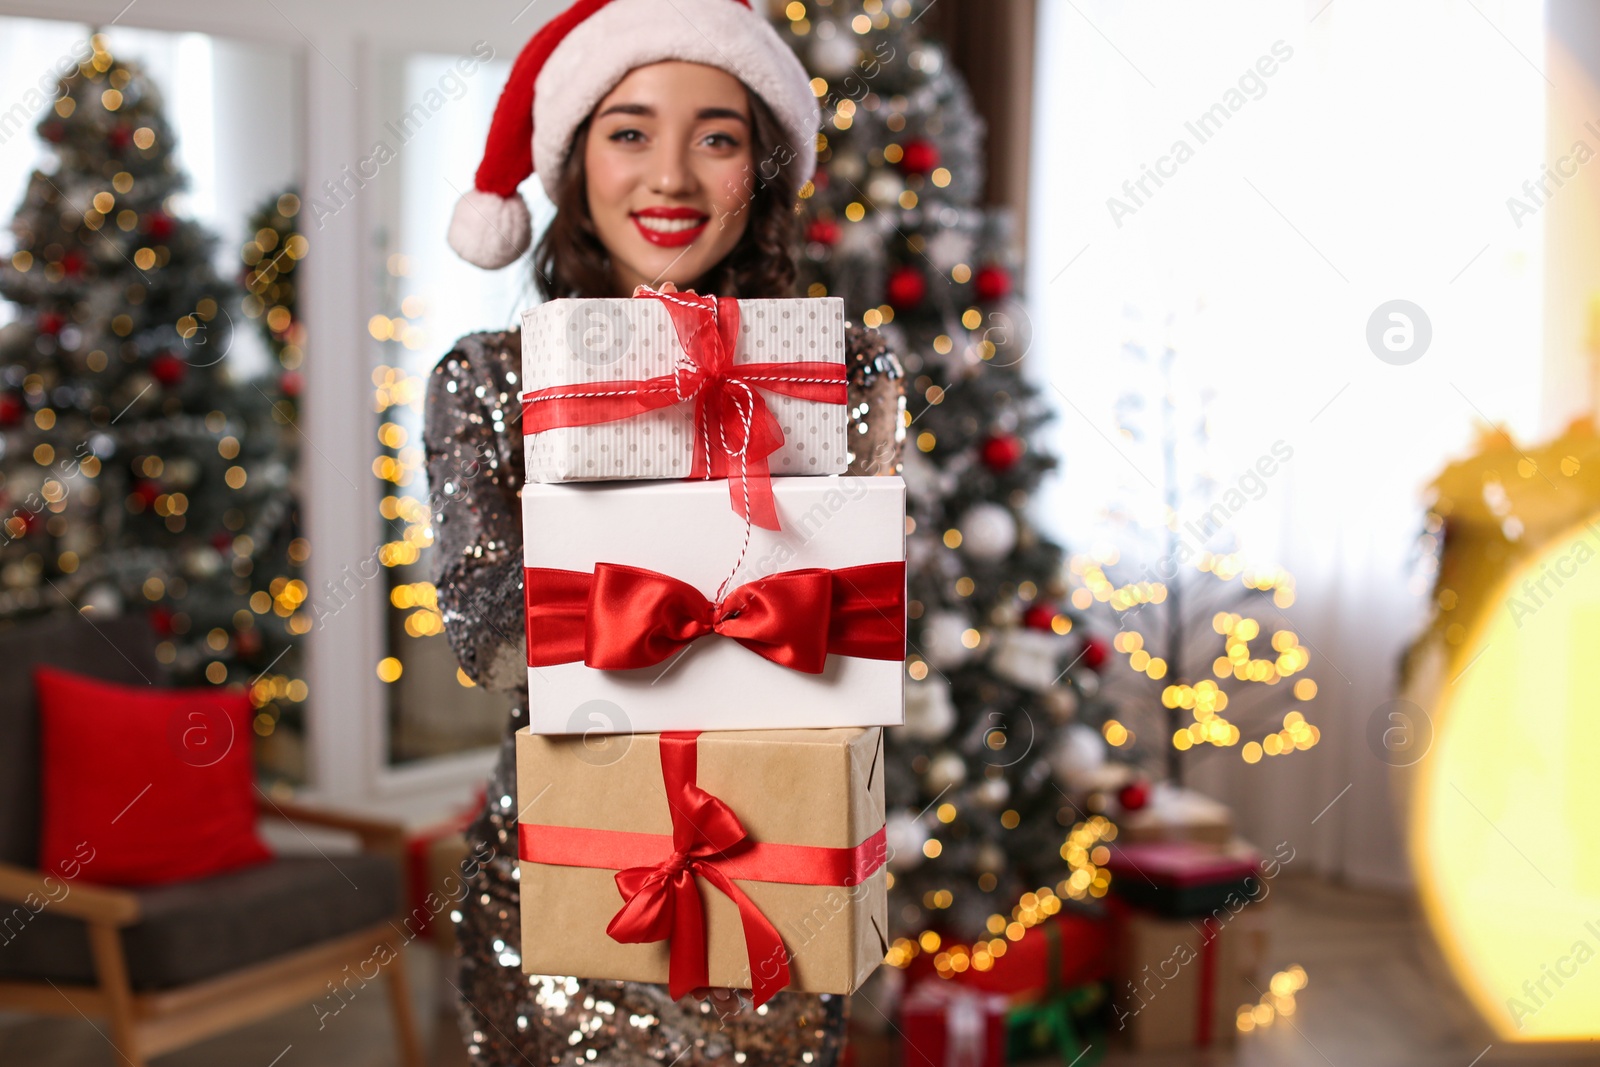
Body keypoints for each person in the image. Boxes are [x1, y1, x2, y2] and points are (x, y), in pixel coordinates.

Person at [423, 1, 903, 1063]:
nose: (672, 176)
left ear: (761, 168)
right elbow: (489, 643)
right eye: (629, 130)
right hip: (563, 881)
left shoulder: (843, 375)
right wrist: (688, 593)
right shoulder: (488, 378)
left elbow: (861, 629)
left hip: (777, 859)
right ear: (573, 162)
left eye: (717, 136)